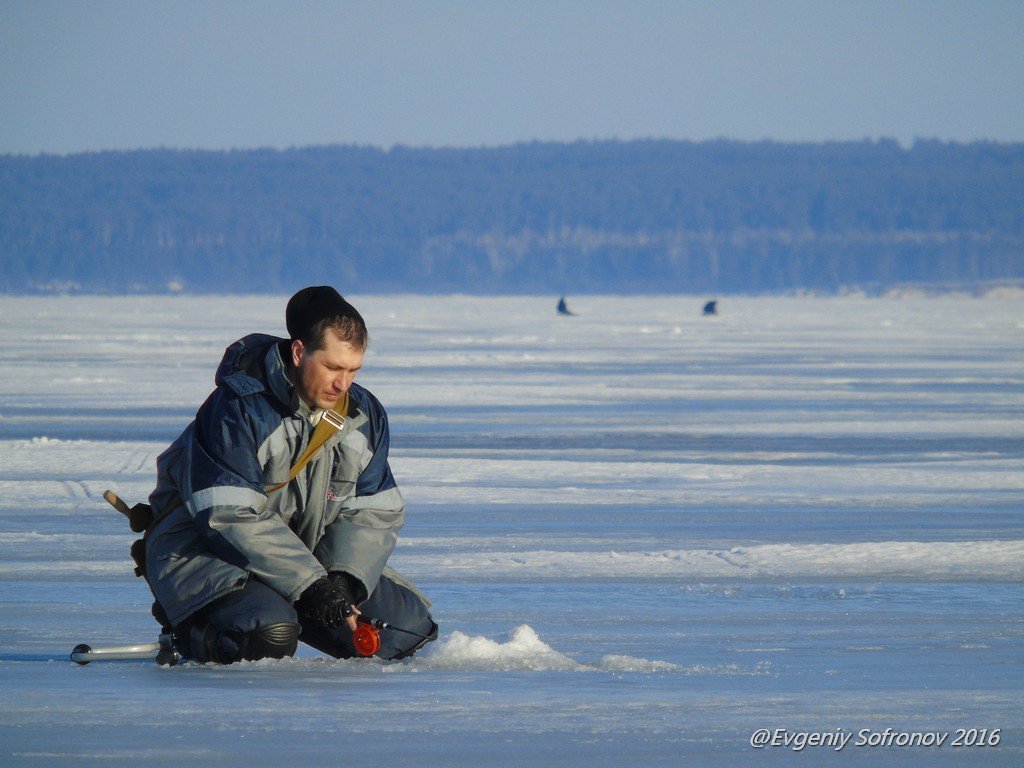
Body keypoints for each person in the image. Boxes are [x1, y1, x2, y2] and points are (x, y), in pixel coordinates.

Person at [143, 286, 437, 664]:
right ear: (299, 353)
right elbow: (230, 517)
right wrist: (311, 585)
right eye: (332, 367)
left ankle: (288, 600)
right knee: (268, 635)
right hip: (206, 554)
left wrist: (342, 579)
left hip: (304, 559)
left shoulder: (364, 416)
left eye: (353, 370)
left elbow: (373, 513)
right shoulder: (239, 410)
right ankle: (194, 628)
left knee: (406, 632)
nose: (343, 384)